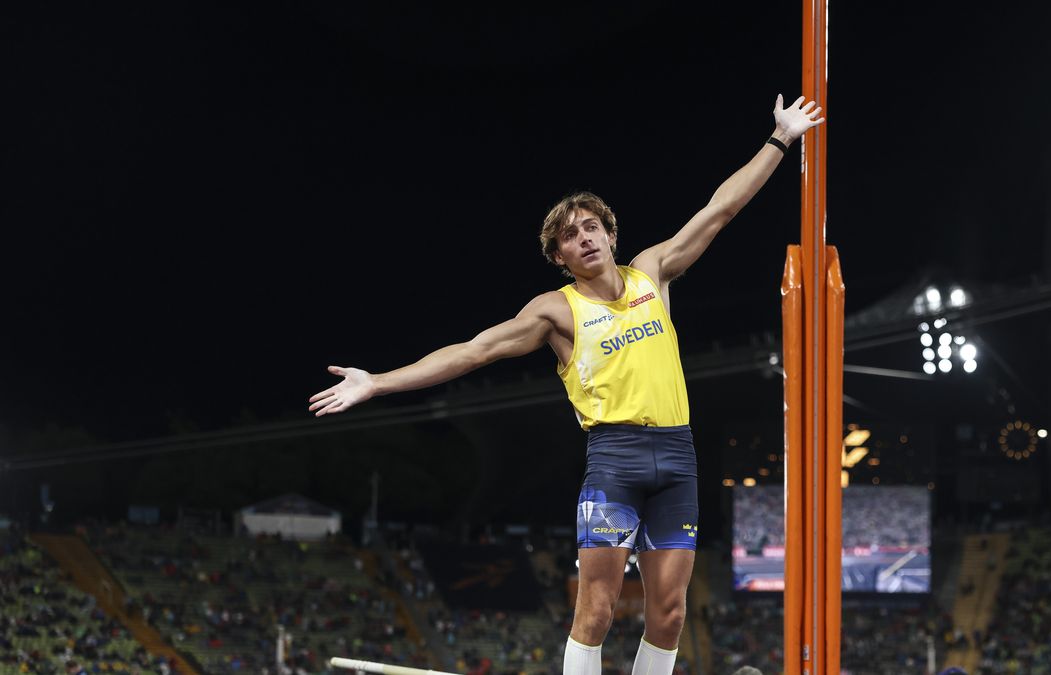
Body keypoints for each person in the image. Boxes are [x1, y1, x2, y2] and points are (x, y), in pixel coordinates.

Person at [309, 94, 824, 675]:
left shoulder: (652, 271)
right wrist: (377, 382)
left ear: (609, 233)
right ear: (560, 255)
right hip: (615, 461)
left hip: (678, 457)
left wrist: (780, 139)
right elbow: (474, 351)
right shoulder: (557, 311)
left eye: (592, 226)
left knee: (671, 613)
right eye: (570, 235)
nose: (585, 238)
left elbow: (719, 210)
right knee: (597, 609)